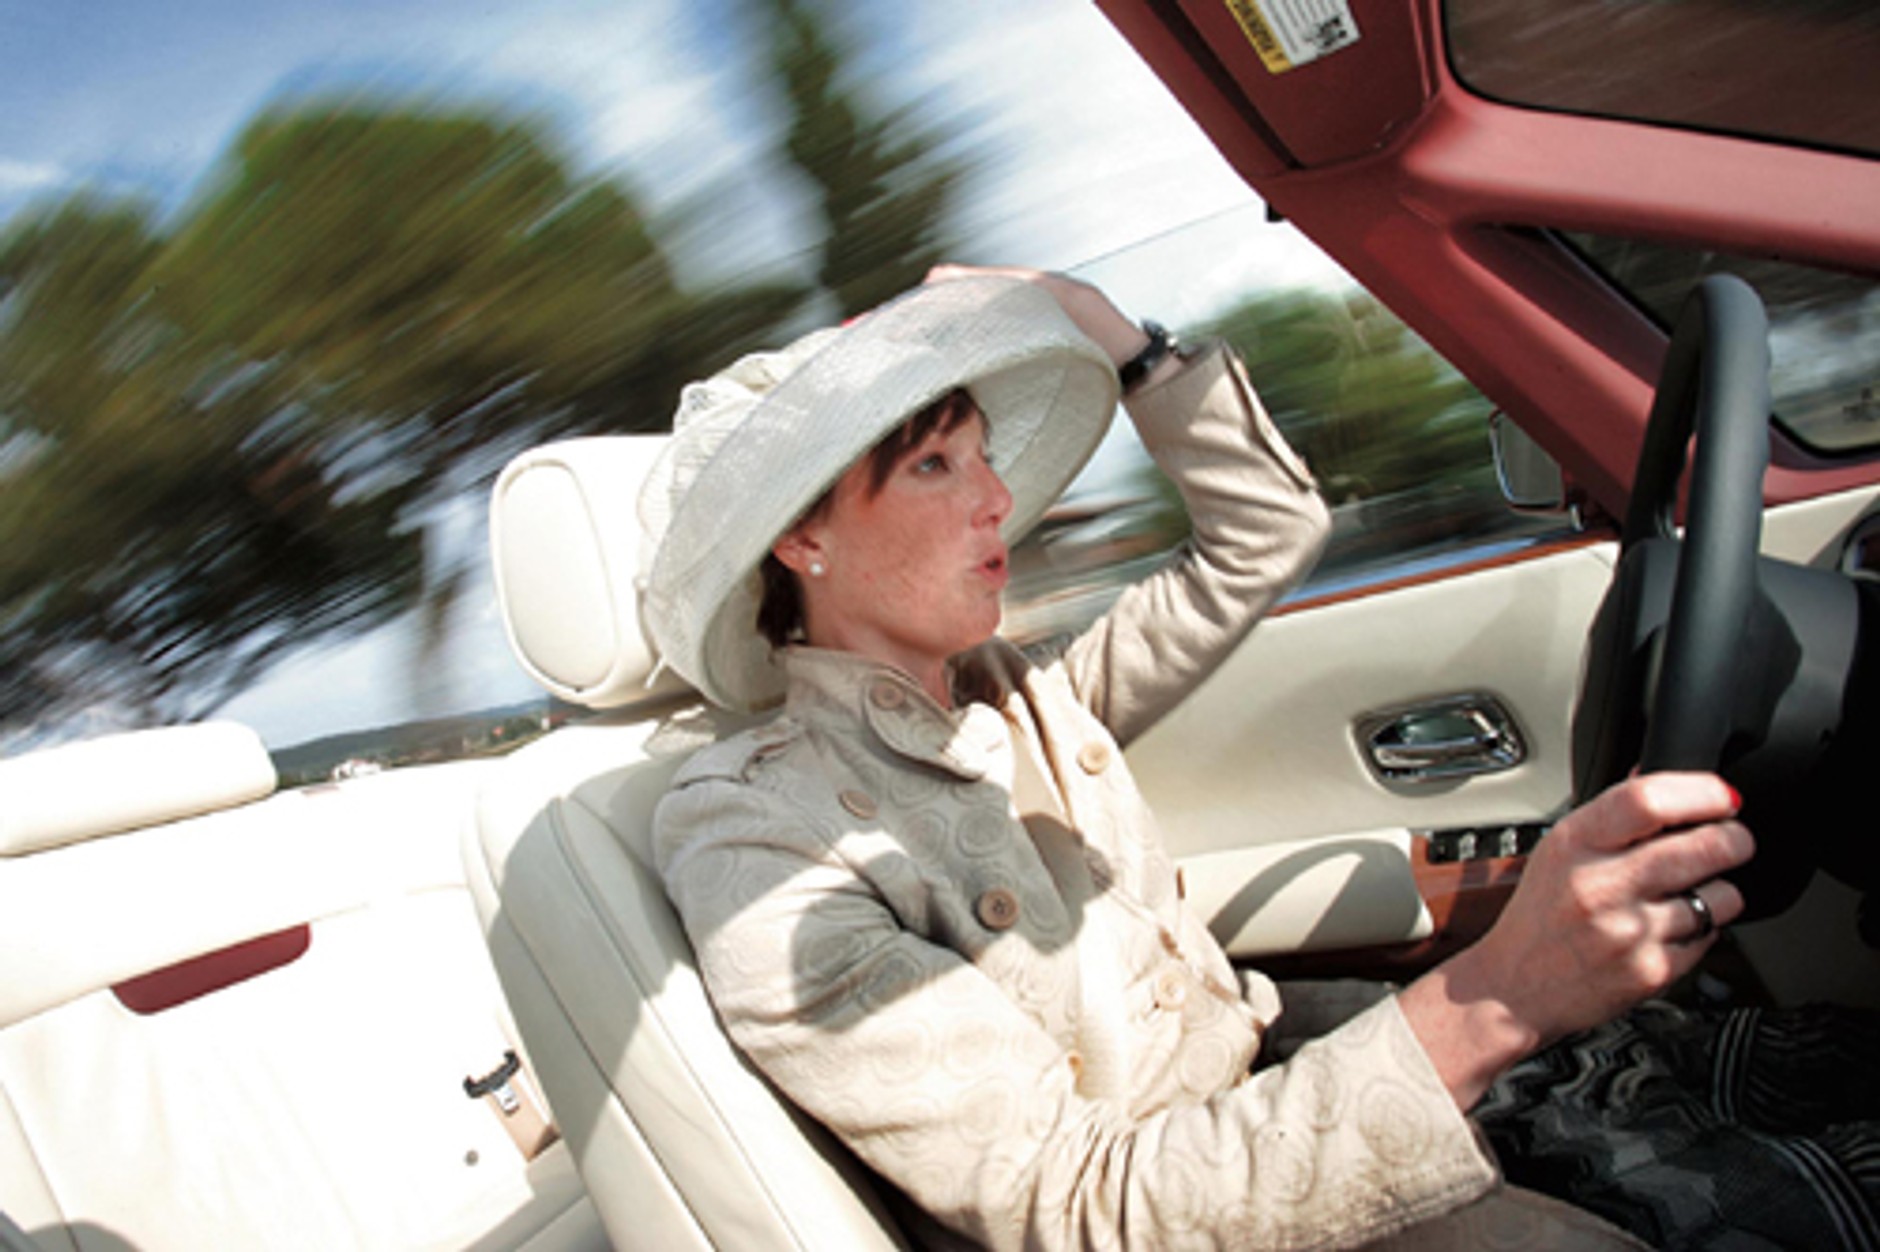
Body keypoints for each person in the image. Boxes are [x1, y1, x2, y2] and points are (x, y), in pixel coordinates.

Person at [640, 265, 1755, 1249]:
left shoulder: (1030, 694)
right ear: (802, 537)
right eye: (935, 466)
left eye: (985, 458)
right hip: (1199, 1203)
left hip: (1271, 1078)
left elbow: (1263, 534)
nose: (998, 500)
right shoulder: (756, 834)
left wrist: (1122, 342)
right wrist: (1499, 994)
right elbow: (1080, 1207)